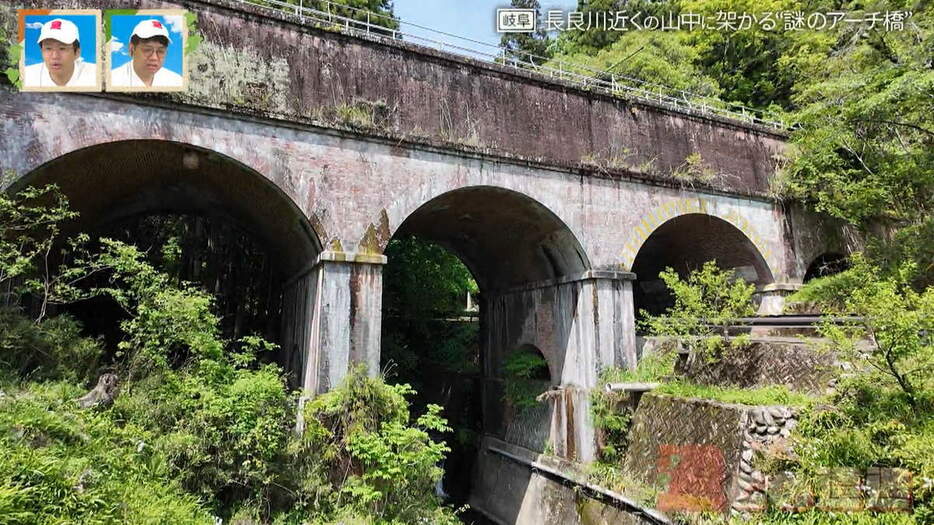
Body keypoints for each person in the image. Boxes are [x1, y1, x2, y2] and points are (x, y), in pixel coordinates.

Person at [23, 18, 97, 88]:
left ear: (77, 53)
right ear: (42, 51)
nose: (55, 56)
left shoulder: (96, 75)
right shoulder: (26, 76)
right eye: (48, 48)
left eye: (62, 48)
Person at [110, 19, 183, 88]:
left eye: (160, 51)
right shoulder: (113, 80)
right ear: (132, 49)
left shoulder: (177, 81)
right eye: (147, 50)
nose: (154, 58)